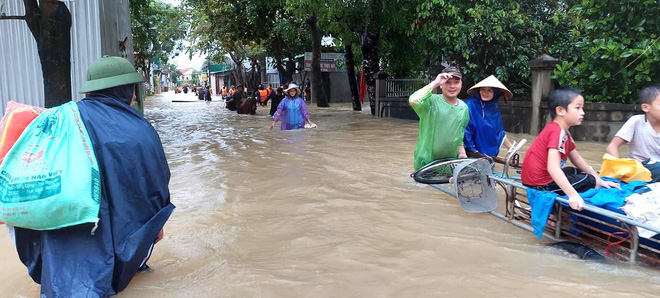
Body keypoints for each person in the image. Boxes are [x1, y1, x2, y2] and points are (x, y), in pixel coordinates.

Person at [10, 56, 175, 296]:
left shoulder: (61, 119)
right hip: (121, 234)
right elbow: (155, 184)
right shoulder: (141, 129)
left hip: (63, 231)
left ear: (89, 92)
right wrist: (155, 226)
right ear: (130, 91)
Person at [521, 87, 619, 210]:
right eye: (578, 108)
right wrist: (573, 195)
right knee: (589, 180)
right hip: (541, 184)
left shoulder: (562, 131)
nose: (582, 112)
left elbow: (576, 158)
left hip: (538, 180)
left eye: (582, 108)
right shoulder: (557, 132)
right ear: (561, 110)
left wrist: (599, 179)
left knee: (575, 171)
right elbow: (553, 168)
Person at [409, 66, 469, 170]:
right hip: (425, 162)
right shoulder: (431, 102)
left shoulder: (463, 108)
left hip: (449, 163)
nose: (452, 86)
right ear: (441, 85)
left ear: (461, 84)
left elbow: (459, 134)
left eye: (456, 82)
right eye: (447, 82)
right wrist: (435, 83)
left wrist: (462, 151)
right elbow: (414, 100)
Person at [606, 85, 660, 180]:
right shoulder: (636, 121)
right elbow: (612, 146)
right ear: (646, 107)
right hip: (639, 168)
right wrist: (619, 168)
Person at [463, 75, 514, 158]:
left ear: (495, 93)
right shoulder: (470, 105)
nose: (485, 93)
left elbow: (499, 131)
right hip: (472, 154)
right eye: (483, 89)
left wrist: (511, 148)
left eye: (489, 90)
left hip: (490, 155)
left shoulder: (494, 107)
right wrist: (473, 150)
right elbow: (466, 130)